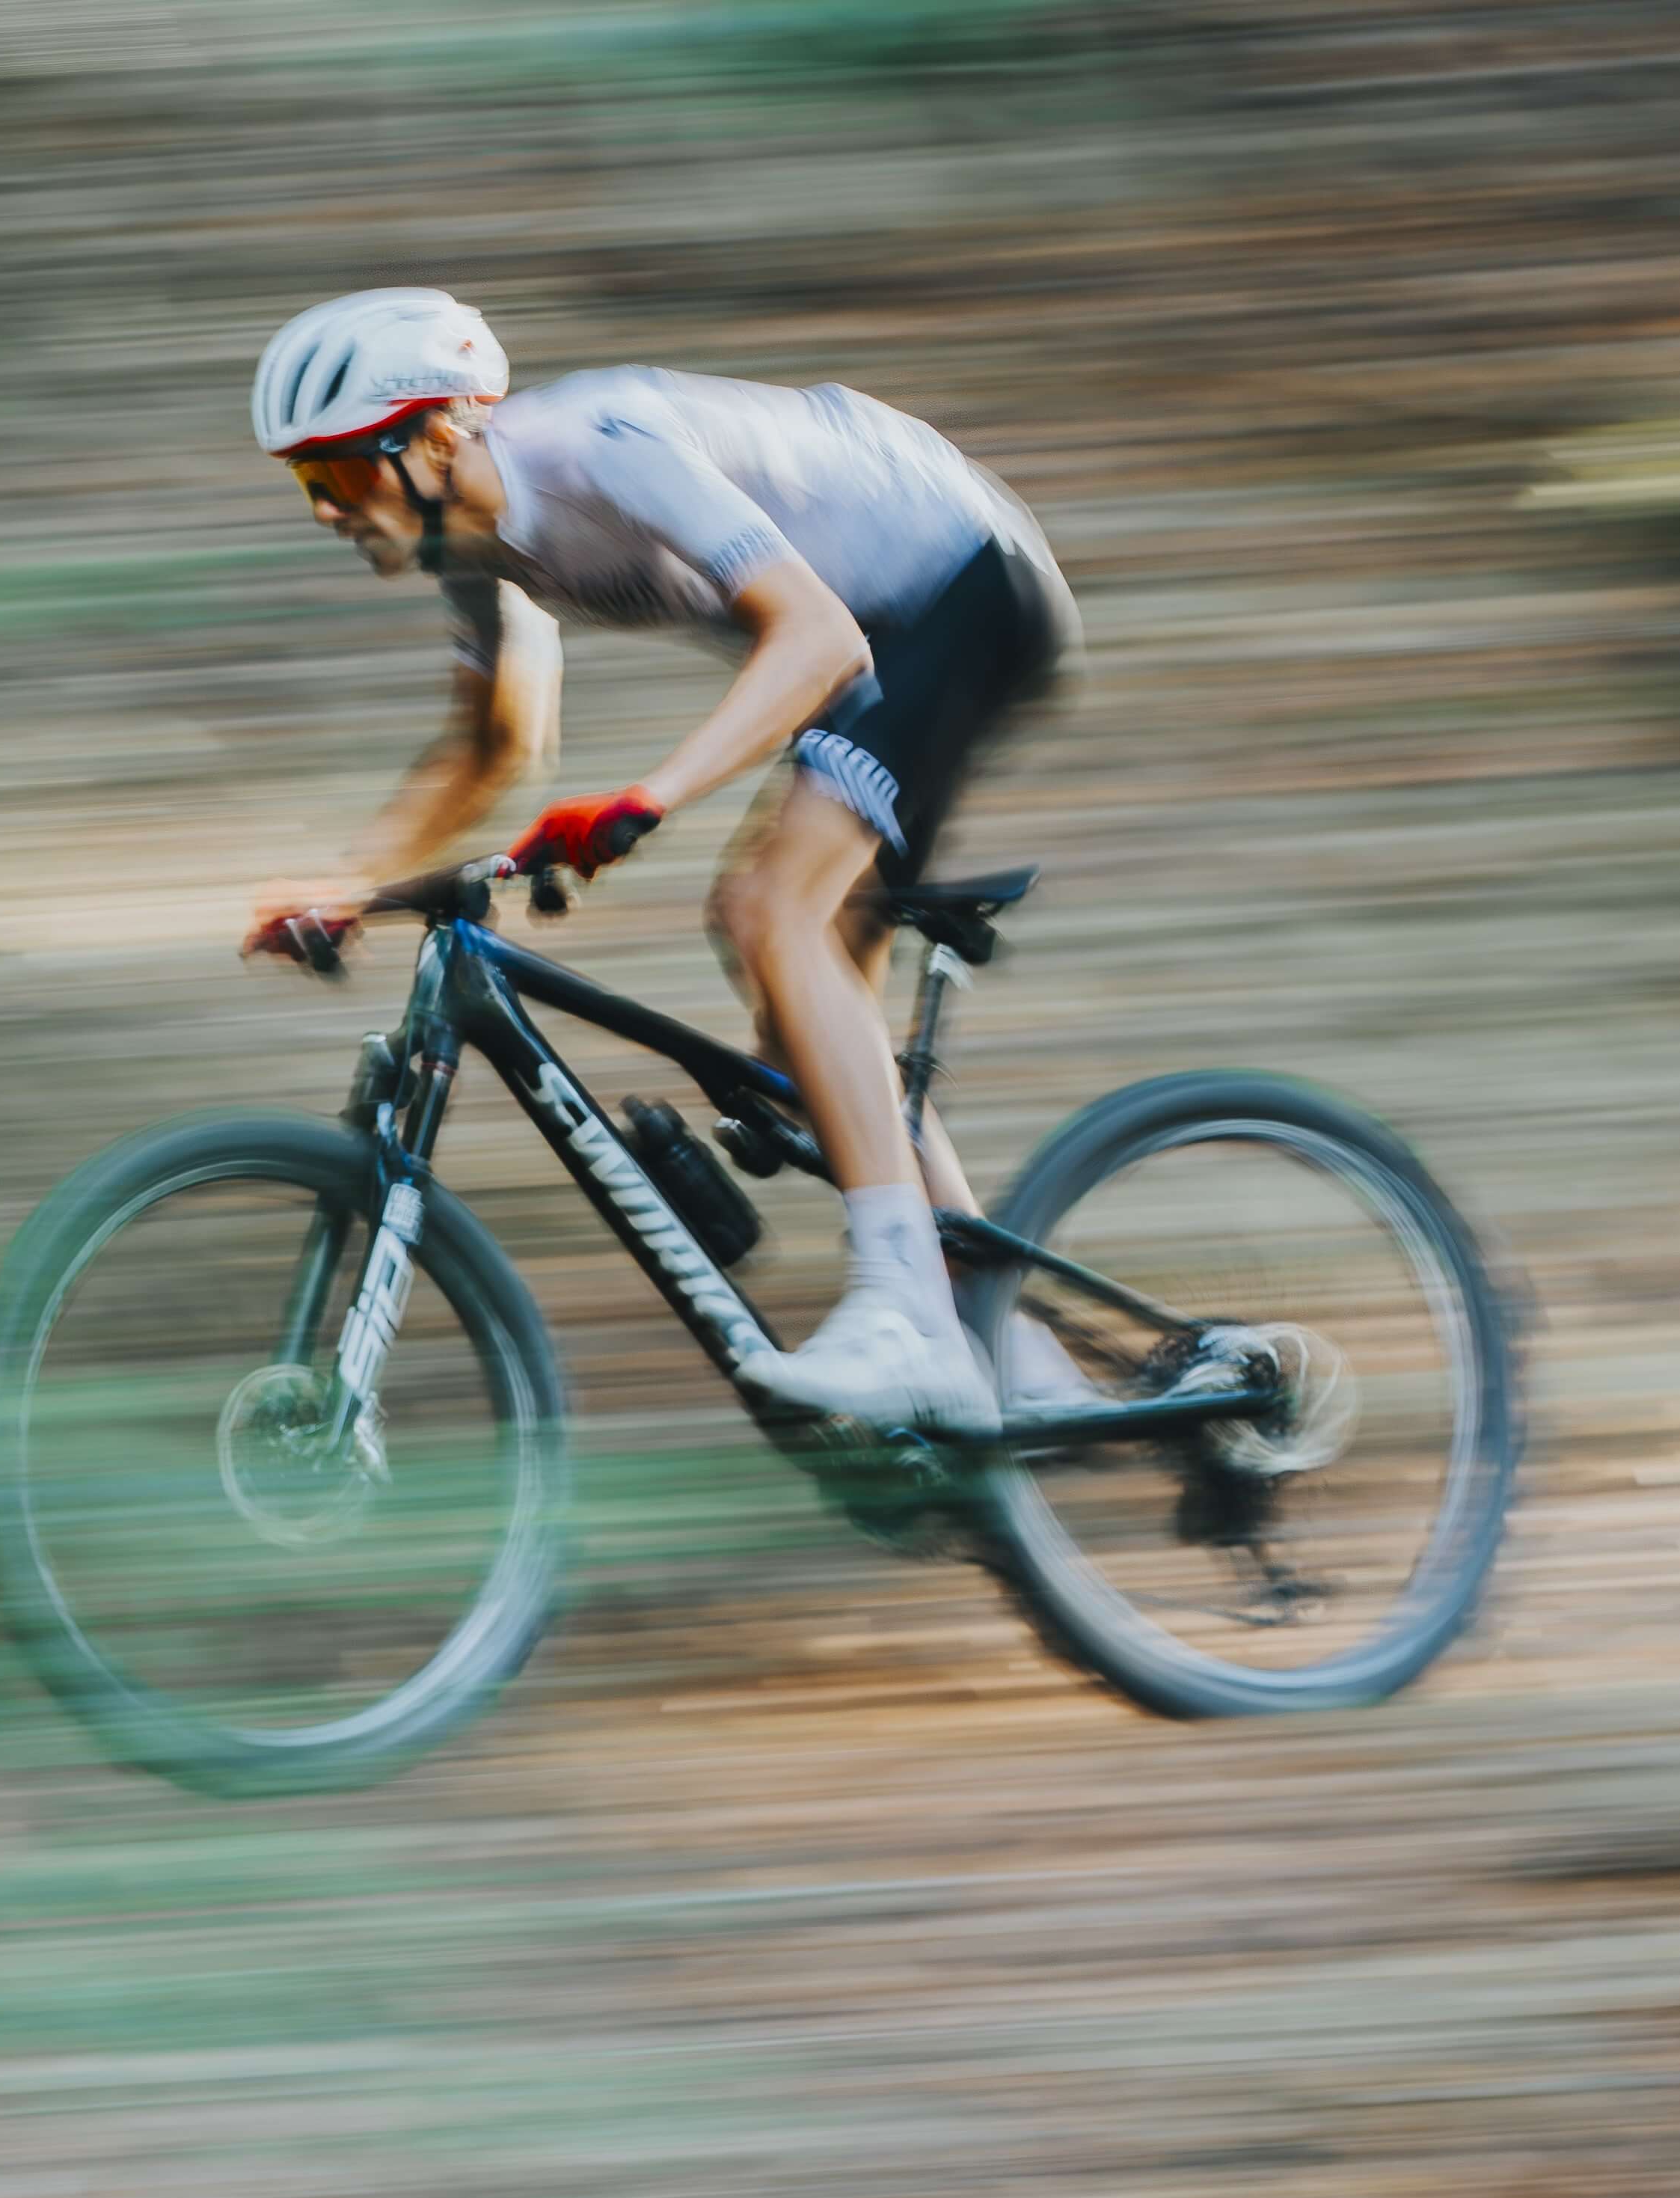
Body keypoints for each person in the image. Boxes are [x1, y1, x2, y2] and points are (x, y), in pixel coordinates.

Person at [239, 286, 1085, 1437]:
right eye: (307, 486)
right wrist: (347, 887)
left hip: (960, 586)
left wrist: (652, 796)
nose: (329, 510)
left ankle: (912, 1323)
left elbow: (820, 637)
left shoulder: (599, 443)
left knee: (763, 909)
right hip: (890, 632)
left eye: (338, 474)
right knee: (804, 1031)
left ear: (437, 436)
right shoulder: (476, 542)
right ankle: (1008, 1345)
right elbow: (493, 746)